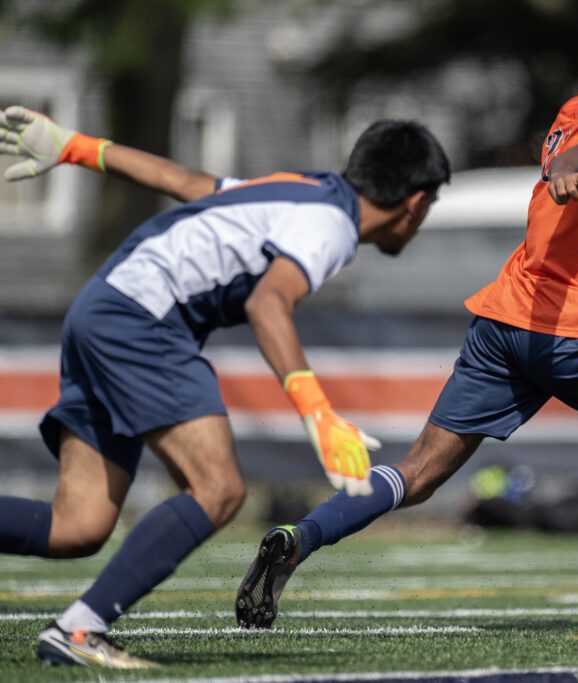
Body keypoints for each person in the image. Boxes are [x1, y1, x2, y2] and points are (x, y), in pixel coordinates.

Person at [232, 21, 578, 629]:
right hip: (567, 333)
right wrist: (568, 169)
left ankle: (300, 539)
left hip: (504, 321)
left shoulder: (575, 108)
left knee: (420, 471)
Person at [0, 107, 450, 668]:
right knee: (218, 489)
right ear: (416, 202)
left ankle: (78, 631)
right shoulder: (332, 226)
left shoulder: (301, 189)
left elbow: (185, 183)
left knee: (77, 525)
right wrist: (318, 414)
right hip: (142, 320)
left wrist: (78, 148)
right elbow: (268, 303)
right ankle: (80, 631)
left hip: (102, 308)